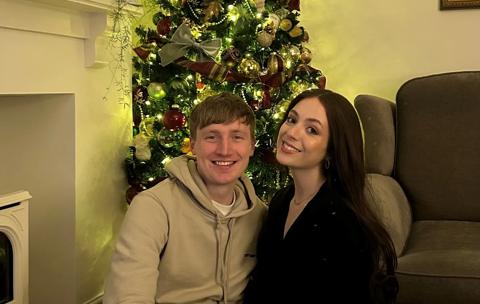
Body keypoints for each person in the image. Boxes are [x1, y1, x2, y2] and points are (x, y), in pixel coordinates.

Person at [104, 92, 267, 303]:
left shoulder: (259, 214)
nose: (225, 150)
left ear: (251, 147)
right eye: (211, 136)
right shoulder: (153, 207)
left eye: (237, 137)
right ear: (193, 146)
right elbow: (127, 295)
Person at [244, 89, 398, 303]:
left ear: (331, 150)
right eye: (291, 119)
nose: (292, 132)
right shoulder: (282, 200)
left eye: (312, 130)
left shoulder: (343, 224)